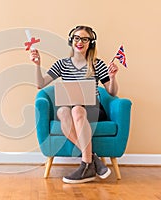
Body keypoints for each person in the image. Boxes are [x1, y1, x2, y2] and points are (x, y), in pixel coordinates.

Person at [29, 25, 119, 184]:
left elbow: (111, 92)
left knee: (77, 109)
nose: (80, 42)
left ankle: (85, 165)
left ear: (90, 43)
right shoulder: (62, 64)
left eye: (85, 39)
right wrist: (37, 64)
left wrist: (112, 77)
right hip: (70, 108)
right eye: (77, 38)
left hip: (94, 109)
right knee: (63, 112)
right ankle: (92, 160)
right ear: (71, 41)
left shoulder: (97, 64)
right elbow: (40, 84)